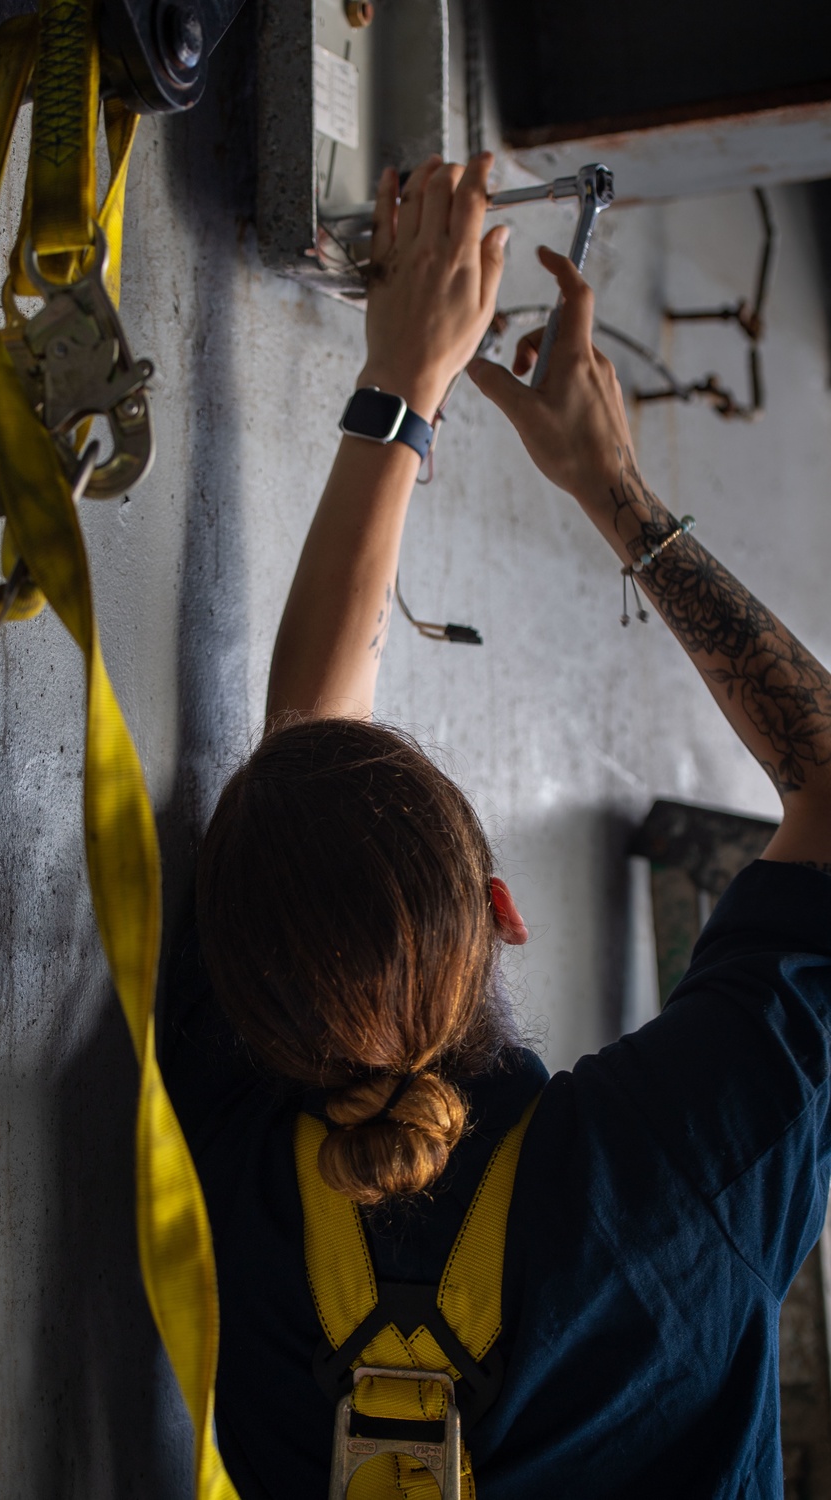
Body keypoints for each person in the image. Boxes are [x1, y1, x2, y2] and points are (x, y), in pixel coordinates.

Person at [162, 154, 831, 1497]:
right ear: (490, 900)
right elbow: (309, 754)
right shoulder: (667, 1174)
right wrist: (594, 477)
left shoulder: (245, 1118)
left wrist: (443, 403)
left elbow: (312, 764)